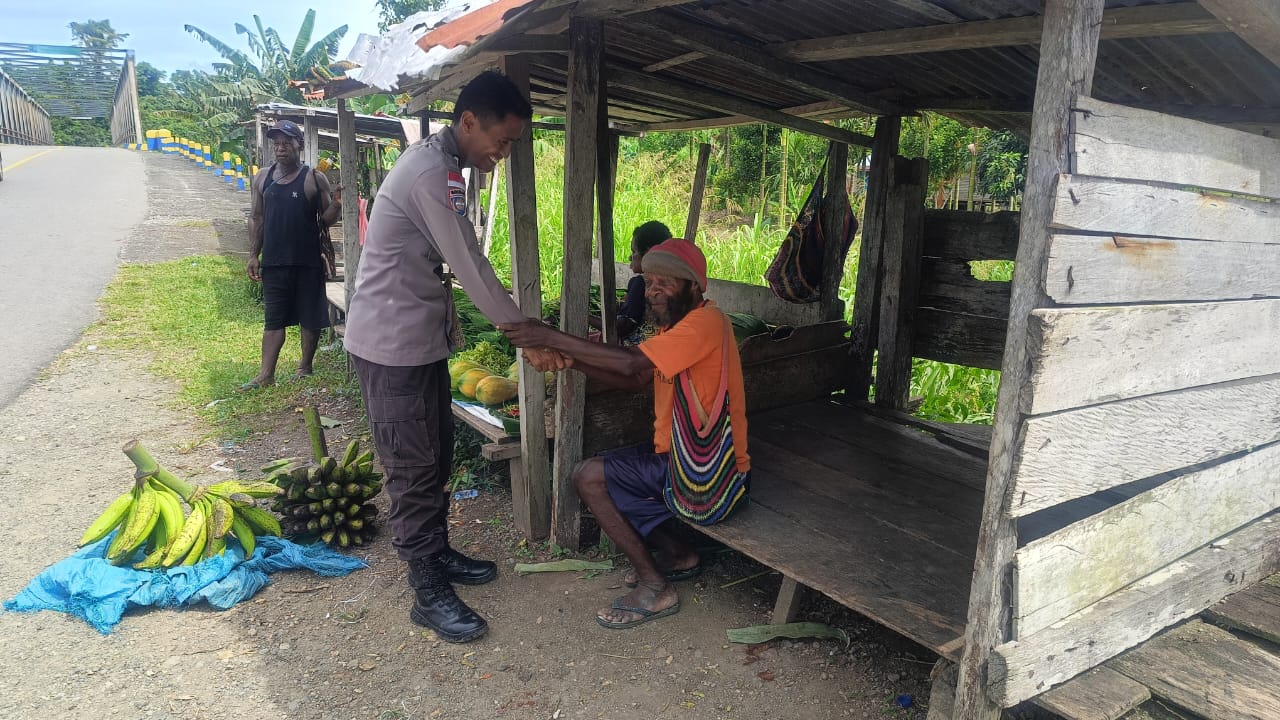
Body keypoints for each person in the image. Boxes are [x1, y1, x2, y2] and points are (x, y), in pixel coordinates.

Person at [343, 71, 557, 644]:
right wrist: (525, 335)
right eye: (502, 140)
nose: (504, 152)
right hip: (391, 348)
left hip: (418, 342)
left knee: (434, 461)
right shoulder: (428, 171)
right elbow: (469, 263)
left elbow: (452, 255)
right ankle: (426, 590)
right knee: (413, 472)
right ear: (468, 122)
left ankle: (436, 555)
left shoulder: (446, 167)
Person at [500, 238, 751, 629]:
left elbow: (632, 361)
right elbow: (636, 378)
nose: (653, 291)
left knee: (589, 476)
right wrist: (571, 362)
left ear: (694, 287)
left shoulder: (707, 322)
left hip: (713, 474)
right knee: (620, 469)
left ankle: (655, 587)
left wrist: (547, 336)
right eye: (649, 282)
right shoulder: (679, 327)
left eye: (665, 282)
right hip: (682, 462)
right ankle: (680, 554)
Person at [244, 119, 342, 390]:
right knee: (273, 318)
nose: (281, 147)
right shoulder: (263, 177)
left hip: (307, 260)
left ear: (299, 144)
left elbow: (326, 219)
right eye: (277, 142)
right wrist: (254, 254)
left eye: (287, 142)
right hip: (274, 262)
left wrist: (336, 204)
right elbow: (256, 217)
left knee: (310, 317)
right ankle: (266, 375)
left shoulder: (313, 177)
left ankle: (305, 367)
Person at [616, 220, 670, 344]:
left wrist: (586, 317)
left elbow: (622, 327)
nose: (630, 257)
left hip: (630, 352)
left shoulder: (639, 284)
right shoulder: (673, 288)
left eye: (634, 251)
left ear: (647, 253)